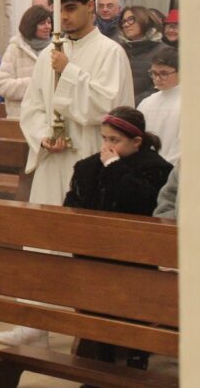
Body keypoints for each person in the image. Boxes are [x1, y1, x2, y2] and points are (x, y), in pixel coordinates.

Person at [1, 0, 134, 347]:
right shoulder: (47, 55)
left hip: (90, 156)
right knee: (42, 240)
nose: (63, 16)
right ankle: (34, 318)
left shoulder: (110, 53)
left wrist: (70, 70)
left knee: (87, 242)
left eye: (71, 8)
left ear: (91, 7)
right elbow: (32, 107)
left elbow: (109, 109)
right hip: (52, 159)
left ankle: (89, 322)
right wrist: (43, 133)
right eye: (59, 9)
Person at [63, 106, 172, 371]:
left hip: (138, 256)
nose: (107, 146)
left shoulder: (156, 169)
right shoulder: (88, 167)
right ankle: (104, 358)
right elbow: (72, 206)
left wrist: (114, 167)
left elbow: (144, 203)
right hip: (96, 253)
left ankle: (137, 357)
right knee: (101, 303)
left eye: (115, 140)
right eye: (104, 139)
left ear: (137, 142)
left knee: (134, 304)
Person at [0, 6, 52, 119]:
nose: (47, 27)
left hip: (48, 119)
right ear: (31, 25)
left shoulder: (55, 49)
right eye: (42, 23)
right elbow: (2, 85)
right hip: (20, 119)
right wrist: (34, 84)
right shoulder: (15, 49)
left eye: (49, 22)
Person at [137, 47, 180, 164]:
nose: (157, 78)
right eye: (153, 73)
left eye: (164, 74)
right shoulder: (147, 102)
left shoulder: (190, 103)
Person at [119, 5, 168, 105]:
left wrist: (129, 103)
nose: (126, 25)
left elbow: (161, 87)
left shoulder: (163, 51)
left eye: (131, 19)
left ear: (144, 20)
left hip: (148, 110)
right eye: (123, 21)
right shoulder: (119, 50)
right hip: (120, 111)